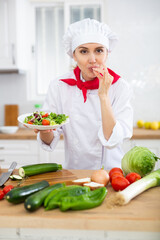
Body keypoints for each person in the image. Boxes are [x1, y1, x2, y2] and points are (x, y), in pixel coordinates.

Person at [36, 18, 133, 170]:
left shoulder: (120, 87)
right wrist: (44, 130)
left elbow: (112, 140)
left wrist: (103, 96)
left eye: (99, 50)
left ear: (107, 53)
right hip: (75, 172)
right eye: (84, 51)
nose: (92, 60)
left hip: (112, 173)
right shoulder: (59, 86)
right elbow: (49, 140)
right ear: (73, 55)